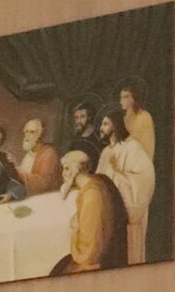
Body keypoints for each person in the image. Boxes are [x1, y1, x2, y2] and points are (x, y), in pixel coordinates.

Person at [49, 148, 128, 273]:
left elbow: (88, 252)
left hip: (91, 263)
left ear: (77, 170)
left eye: (67, 168)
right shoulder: (96, 182)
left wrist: (75, 227)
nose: (64, 174)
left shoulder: (91, 194)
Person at [96, 105, 156, 264]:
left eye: (105, 124)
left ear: (116, 125)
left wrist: (117, 171)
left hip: (126, 210)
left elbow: (144, 177)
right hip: (109, 214)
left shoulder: (132, 147)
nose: (101, 128)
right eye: (102, 124)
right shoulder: (106, 152)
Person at [16, 116, 61, 194]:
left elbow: (44, 183)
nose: (27, 135)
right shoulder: (30, 153)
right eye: (26, 132)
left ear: (40, 135)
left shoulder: (48, 153)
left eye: (32, 132)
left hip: (44, 196)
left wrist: (18, 174)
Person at [119, 79, 156, 165]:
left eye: (126, 97)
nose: (121, 101)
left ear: (134, 98)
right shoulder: (125, 117)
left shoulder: (143, 116)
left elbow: (133, 142)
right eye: (121, 97)